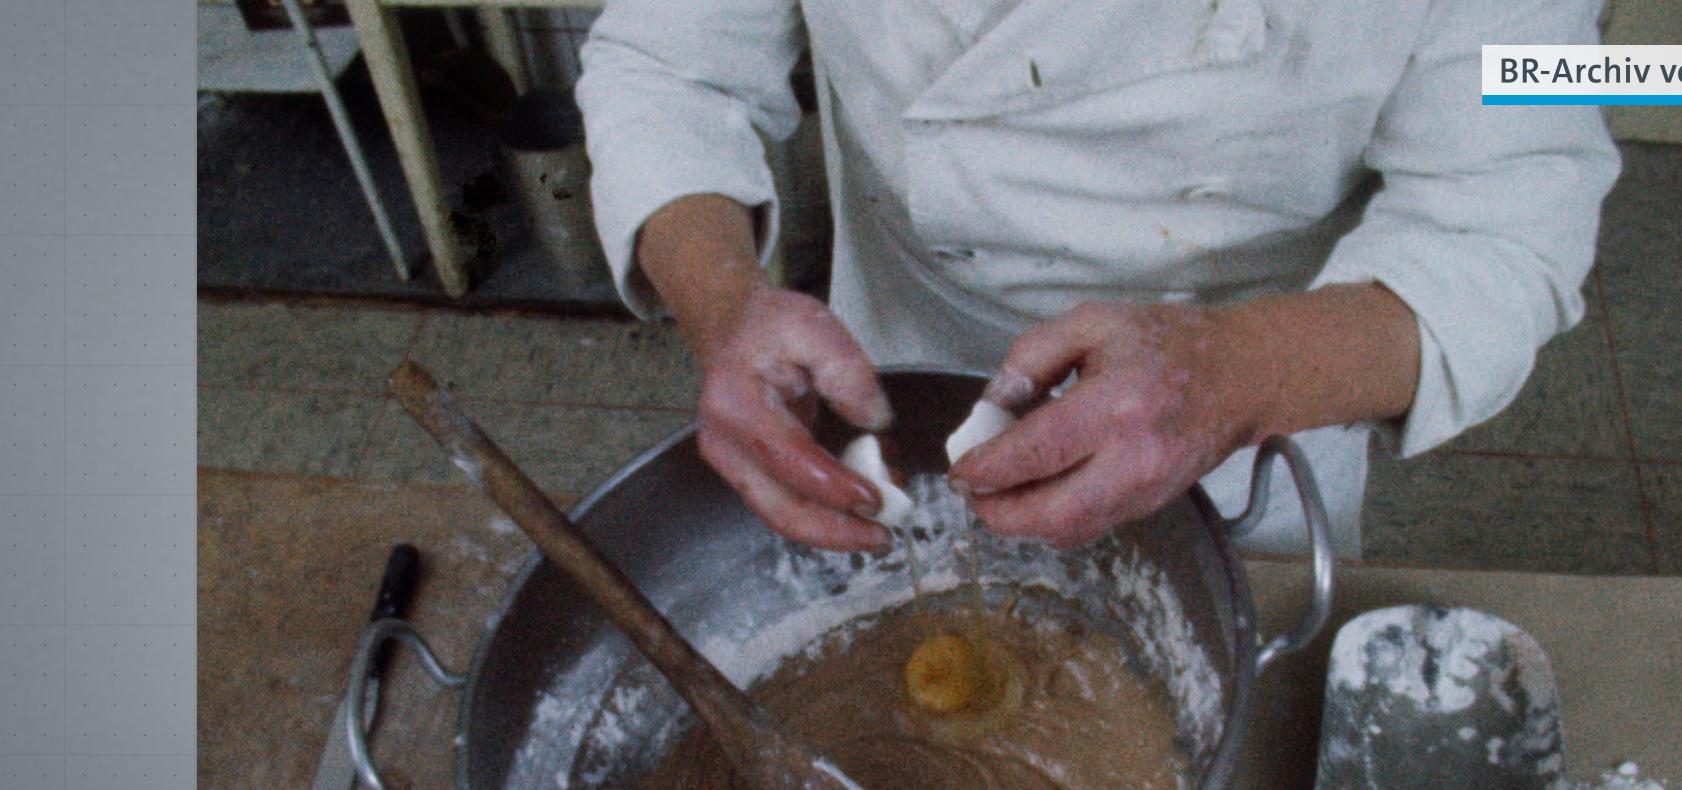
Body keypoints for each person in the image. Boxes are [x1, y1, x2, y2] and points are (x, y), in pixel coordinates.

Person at [577, 0, 1618, 555]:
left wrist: (1230, 374)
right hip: (896, 362)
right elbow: (670, 65)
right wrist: (722, 303)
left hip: (1241, 411)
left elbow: (1509, 223)